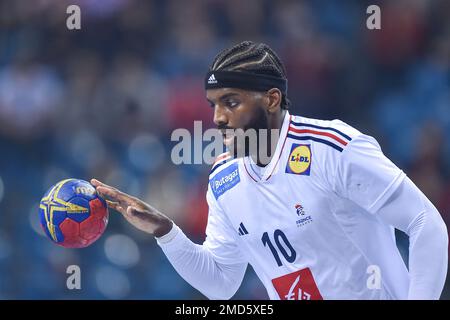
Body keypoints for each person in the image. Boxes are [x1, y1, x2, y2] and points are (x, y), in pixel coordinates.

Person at [91, 41, 448, 300]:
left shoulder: (334, 148)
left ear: (272, 99)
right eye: (214, 105)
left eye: (231, 103)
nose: (217, 118)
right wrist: (166, 232)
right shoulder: (223, 181)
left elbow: (424, 222)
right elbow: (221, 283)